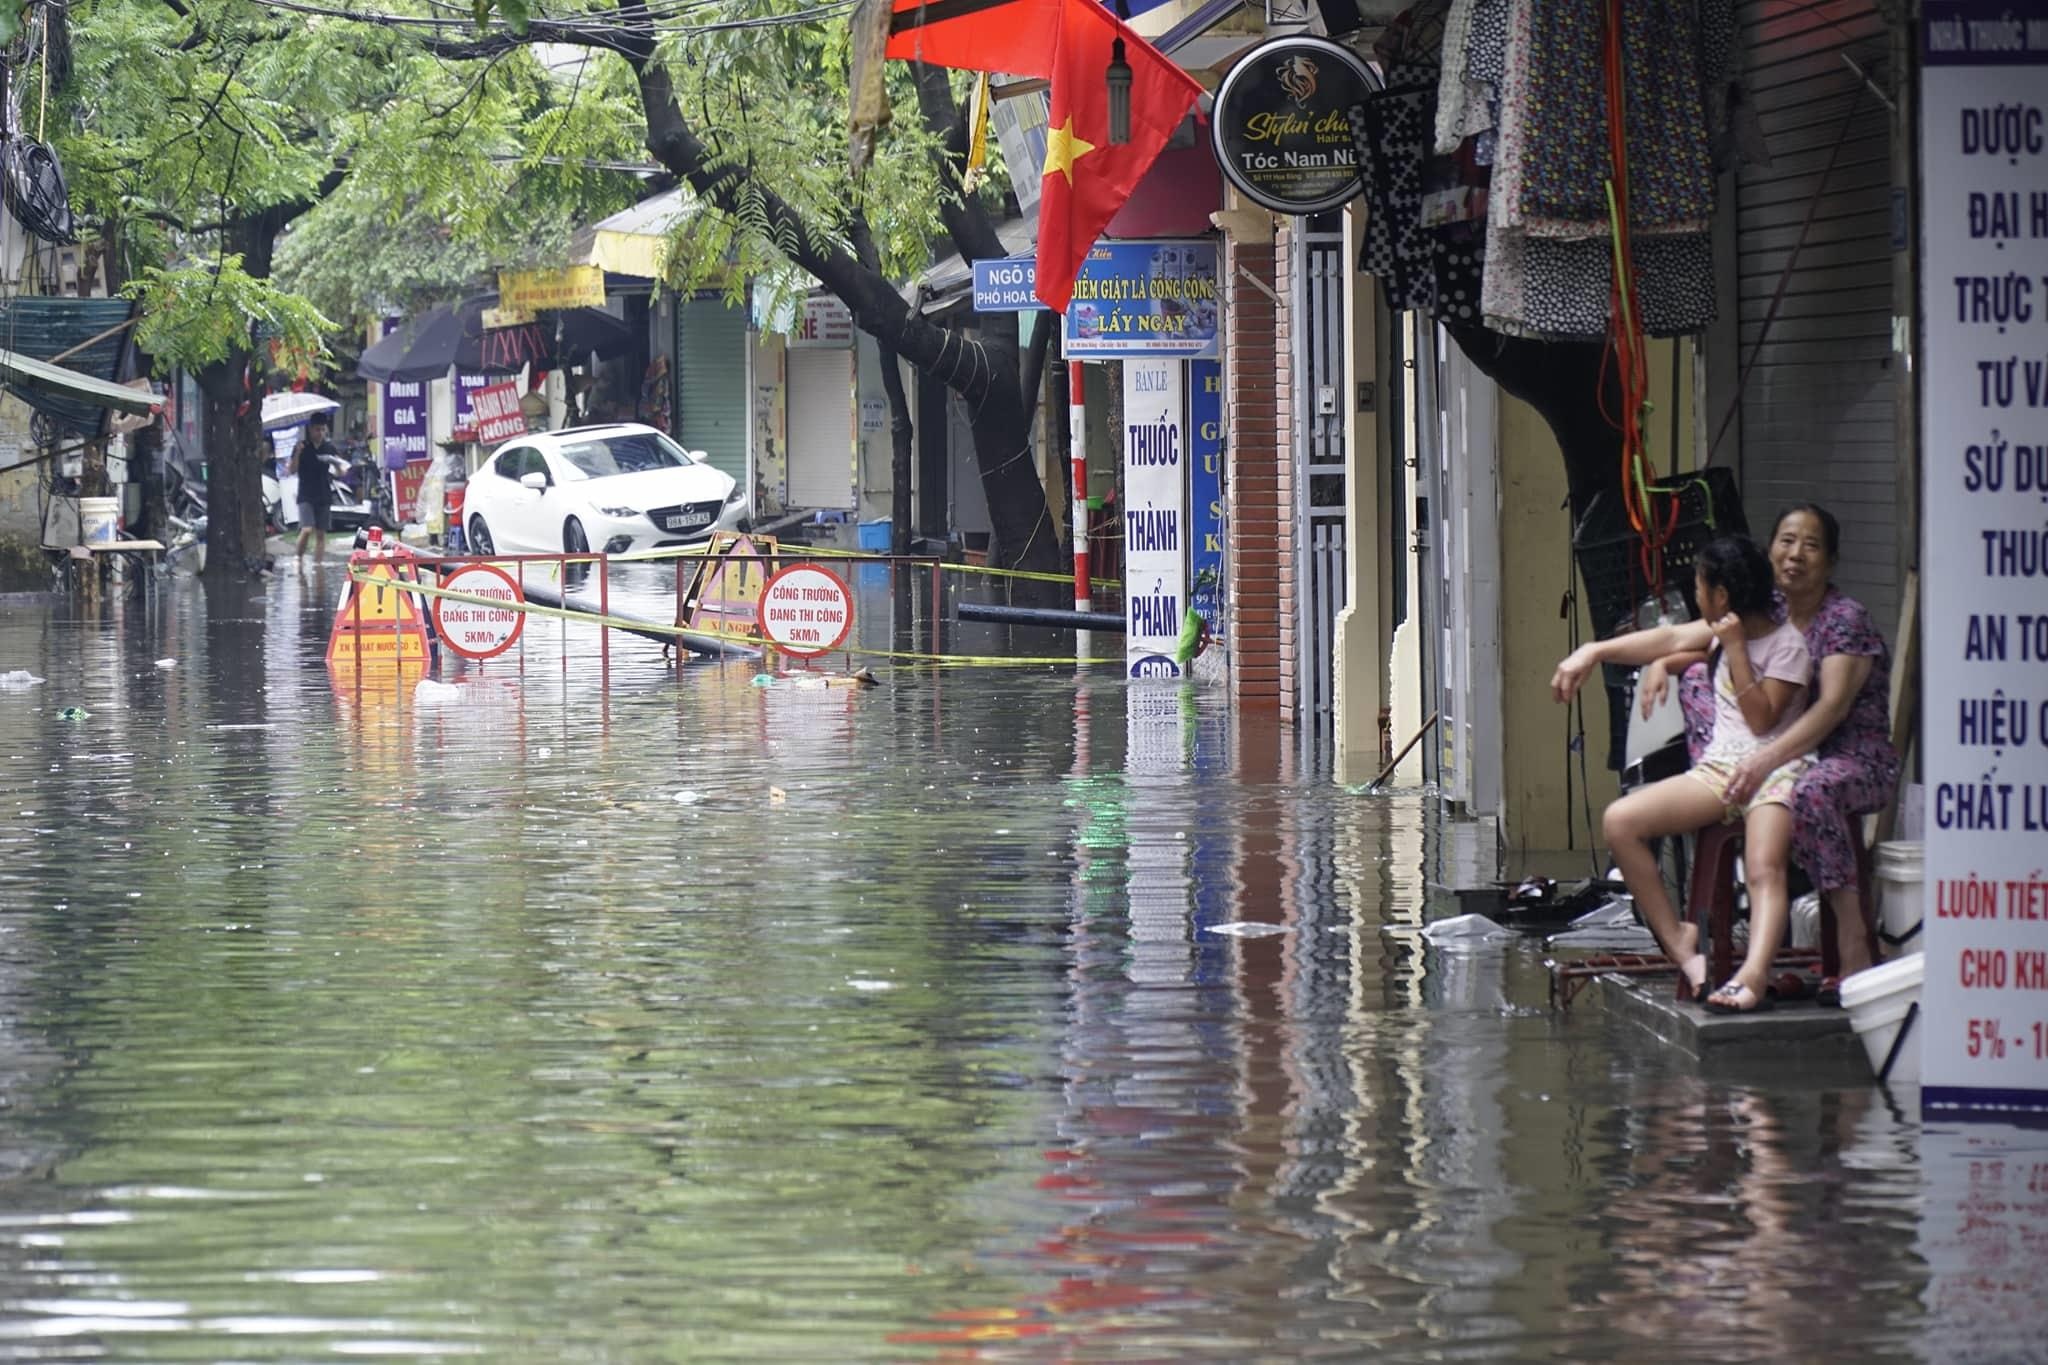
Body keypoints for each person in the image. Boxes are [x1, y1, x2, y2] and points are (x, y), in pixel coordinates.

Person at [1553, 536, 1814, 1013]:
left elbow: (1761, 721)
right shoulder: (1718, 632)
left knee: (1763, 868)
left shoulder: (1787, 646)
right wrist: (1591, 652)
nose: (1696, 596)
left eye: (1699, 586)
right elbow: (1668, 639)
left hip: (1776, 769)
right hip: (1720, 772)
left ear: (1721, 596)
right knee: (1621, 822)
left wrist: (1734, 648)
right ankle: (1681, 947)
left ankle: (1752, 977)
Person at [290, 416, 343, 566]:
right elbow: (292, 470)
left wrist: (336, 464)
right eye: (316, 429)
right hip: (306, 494)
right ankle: (298, 558)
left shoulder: (329, 448)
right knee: (306, 529)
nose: (319, 433)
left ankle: (317, 564)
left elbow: (340, 472)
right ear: (310, 429)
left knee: (321, 533)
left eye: (322, 429)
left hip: (324, 493)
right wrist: (298, 454)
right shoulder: (302, 446)